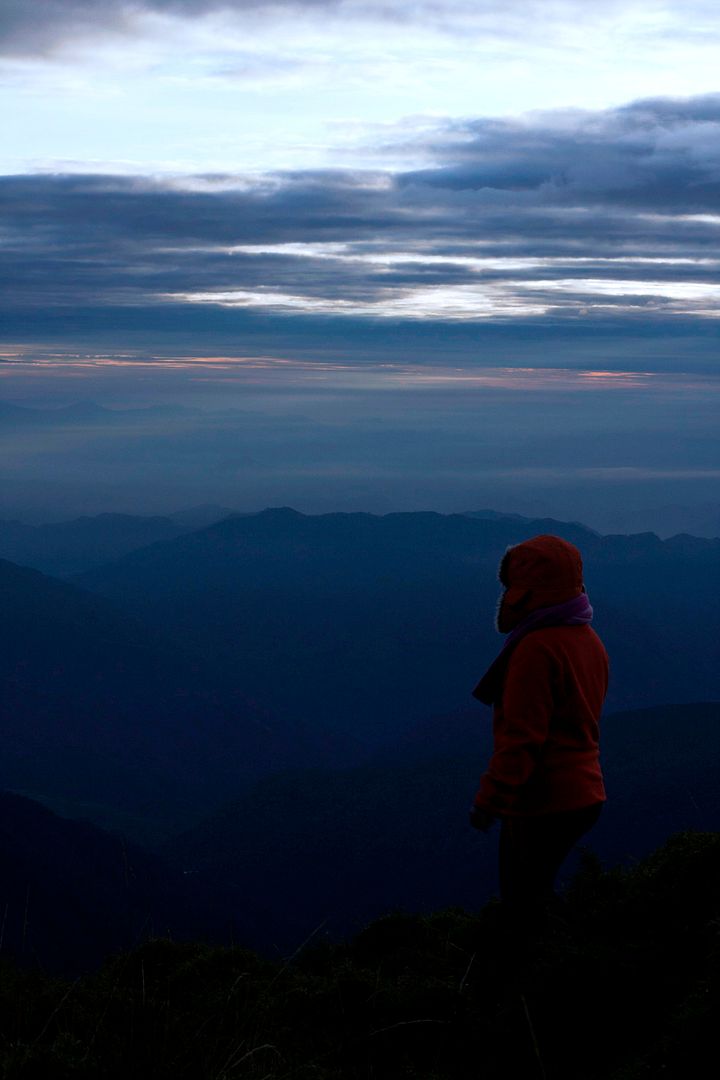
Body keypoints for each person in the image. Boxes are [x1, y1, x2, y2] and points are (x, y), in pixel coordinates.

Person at [469, 534, 609, 945]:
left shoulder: (536, 648)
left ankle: (534, 993)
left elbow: (522, 740)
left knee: (522, 908)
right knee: (538, 895)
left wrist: (489, 800)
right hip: (585, 793)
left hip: (545, 799)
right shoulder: (588, 639)